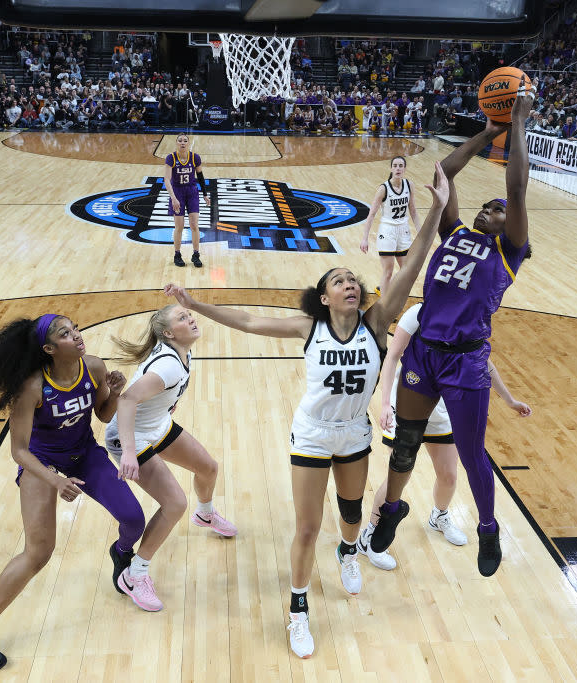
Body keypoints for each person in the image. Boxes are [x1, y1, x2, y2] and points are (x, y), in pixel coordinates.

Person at [164, 159, 450, 659]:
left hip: (356, 434)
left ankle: (347, 552)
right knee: (306, 527)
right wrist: (198, 302)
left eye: (353, 280)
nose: (351, 284)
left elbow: (415, 262)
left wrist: (437, 209)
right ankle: (298, 610)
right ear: (323, 296)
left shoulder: (377, 321)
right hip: (314, 433)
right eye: (339, 281)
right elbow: (249, 321)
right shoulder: (308, 327)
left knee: (352, 515)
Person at [369, 77, 536, 578]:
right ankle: (394, 510)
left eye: (499, 211)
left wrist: (519, 122)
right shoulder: (456, 231)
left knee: (468, 453)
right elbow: (442, 171)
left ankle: (488, 527)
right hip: (424, 352)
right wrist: (488, 132)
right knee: (405, 445)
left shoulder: (510, 252)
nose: (493, 209)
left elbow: (517, 187)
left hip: (465, 359)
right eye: (487, 206)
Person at [0, 314, 146, 670]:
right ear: (48, 348)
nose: (77, 335)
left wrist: (114, 392)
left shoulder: (92, 367)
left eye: (75, 328)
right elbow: (19, 451)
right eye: (66, 334)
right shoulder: (31, 388)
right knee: (38, 553)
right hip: (42, 464)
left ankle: (121, 553)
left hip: (85, 454)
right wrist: (54, 480)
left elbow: (103, 415)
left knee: (134, 518)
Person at [359, 301, 532, 570]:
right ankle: (370, 533)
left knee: (449, 475)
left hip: (444, 406)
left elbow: (482, 361)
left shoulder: (468, 317)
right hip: (412, 397)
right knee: (399, 474)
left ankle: (438, 517)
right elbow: (393, 356)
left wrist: (508, 399)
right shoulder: (418, 313)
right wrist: (384, 404)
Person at [103, 305, 237, 612]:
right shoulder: (169, 366)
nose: (190, 320)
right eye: (182, 319)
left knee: (208, 468)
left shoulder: (182, 351)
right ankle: (135, 575)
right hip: (130, 438)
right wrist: (127, 452)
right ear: (167, 333)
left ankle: (205, 514)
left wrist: (166, 406)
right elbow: (126, 400)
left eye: (189, 316)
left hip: (156, 427)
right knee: (175, 503)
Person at [359, 156, 420, 296]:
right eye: (395, 165)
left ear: (404, 168)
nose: (398, 168)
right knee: (388, 272)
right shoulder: (383, 188)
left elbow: (414, 211)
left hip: (403, 230)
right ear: (391, 168)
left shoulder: (409, 185)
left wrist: (420, 232)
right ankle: (384, 306)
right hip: (387, 231)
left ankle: (384, 288)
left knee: (407, 270)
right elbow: (372, 214)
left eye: (401, 165)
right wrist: (365, 238)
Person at [164, 134, 210, 268]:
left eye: (185, 141)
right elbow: (167, 179)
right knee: (179, 226)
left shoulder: (195, 157)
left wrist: (205, 194)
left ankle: (196, 255)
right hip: (177, 192)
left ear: (188, 143)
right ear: (176, 143)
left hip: (191, 192)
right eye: (180, 141)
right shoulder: (171, 158)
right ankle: (177, 254)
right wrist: (173, 198)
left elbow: (200, 176)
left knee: (194, 225)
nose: (182, 143)